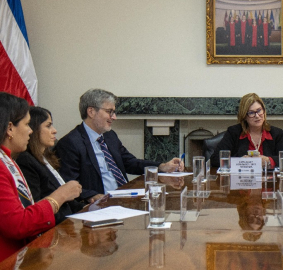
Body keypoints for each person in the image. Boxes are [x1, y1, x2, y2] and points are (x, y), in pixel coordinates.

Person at [55, 89, 184, 203]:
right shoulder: (70, 143)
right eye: (109, 112)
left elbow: (130, 162)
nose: (114, 117)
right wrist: (93, 196)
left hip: (123, 198)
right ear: (91, 111)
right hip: (99, 205)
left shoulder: (110, 136)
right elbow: (68, 184)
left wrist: (162, 166)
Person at [0, 92, 81, 261]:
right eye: (27, 124)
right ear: (9, 128)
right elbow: (18, 224)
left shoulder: (8, 159)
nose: (31, 131)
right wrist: (60, 196)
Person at [16, 107, 86, 224]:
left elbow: (68, 201)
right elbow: (37, 207)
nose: (54, 131)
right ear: (33, 128)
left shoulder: (45, 157)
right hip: (53, 228)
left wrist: (89, 208)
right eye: (48, 126)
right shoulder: (26, 161)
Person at [210, 93, 283, 168]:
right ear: (244, 116)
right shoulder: (233, 132)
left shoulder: (276, 133)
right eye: (251, 113)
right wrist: (240, 161)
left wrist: (268, 161)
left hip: (268, 179)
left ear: (264, 111)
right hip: (242, 180)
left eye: (259, 110)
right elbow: (215, 159)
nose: (257, 116)